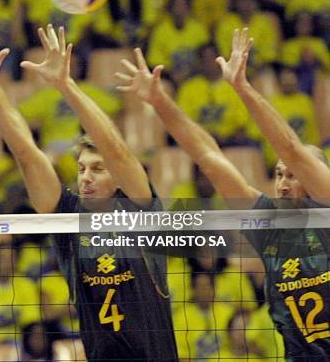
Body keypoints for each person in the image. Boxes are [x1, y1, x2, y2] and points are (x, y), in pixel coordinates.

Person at [0, 25, 178, 361]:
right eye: (82, 168)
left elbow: (115, 149)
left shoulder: (139, 208)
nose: (85, 177)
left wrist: (65, 85)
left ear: (117, 179)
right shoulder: (69, 216)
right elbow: (27, 154)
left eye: (97, 169)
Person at [116, 29, 330, 359]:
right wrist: (160, 101)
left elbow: (292, 148)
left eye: (294, 175)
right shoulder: (268, 223)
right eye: (278, 174)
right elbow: (208, 157)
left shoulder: (326, 208)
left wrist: (242, 88)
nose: (283, 182)